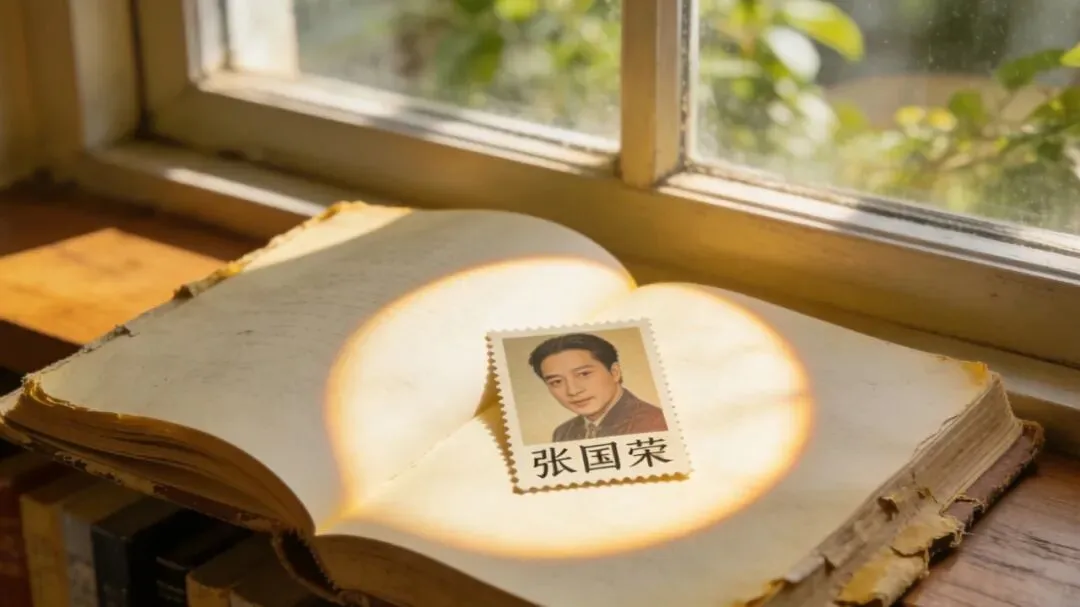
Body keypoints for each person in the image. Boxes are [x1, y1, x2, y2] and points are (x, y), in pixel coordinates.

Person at [527, 332, 667, 443]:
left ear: (614, 372)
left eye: (584, 374)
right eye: (557, 382)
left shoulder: (655, 422)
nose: (573, 391)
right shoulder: (563, 433)